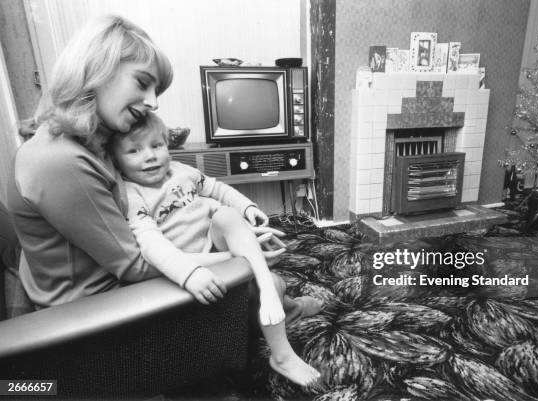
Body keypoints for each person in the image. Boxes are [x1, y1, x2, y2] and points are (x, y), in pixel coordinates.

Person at [6, 14, 320, 386]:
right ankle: (276, 334)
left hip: (115, 280)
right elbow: (135, 266)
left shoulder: (86, 142)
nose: (153, 103)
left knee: (242, 248)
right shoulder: (60, 160)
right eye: (142, 83)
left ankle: (277, 302)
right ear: (96, 69)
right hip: (102, 318)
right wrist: (240, 256)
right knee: (254, 277)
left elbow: (199, 194)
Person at [109, 112, 321, 385]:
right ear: (116, 160)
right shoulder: (132, 195)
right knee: (272, 283)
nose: (149, 156)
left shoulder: (182, 170)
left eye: (156, 146)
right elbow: (150, 244)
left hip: (214, 244)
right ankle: (282, 349)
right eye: (133, 151)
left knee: (226, 216)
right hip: (192, 265)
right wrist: (190, 272)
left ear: (167, 146)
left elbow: (218, 189)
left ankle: (273, 292)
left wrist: (247, 207)